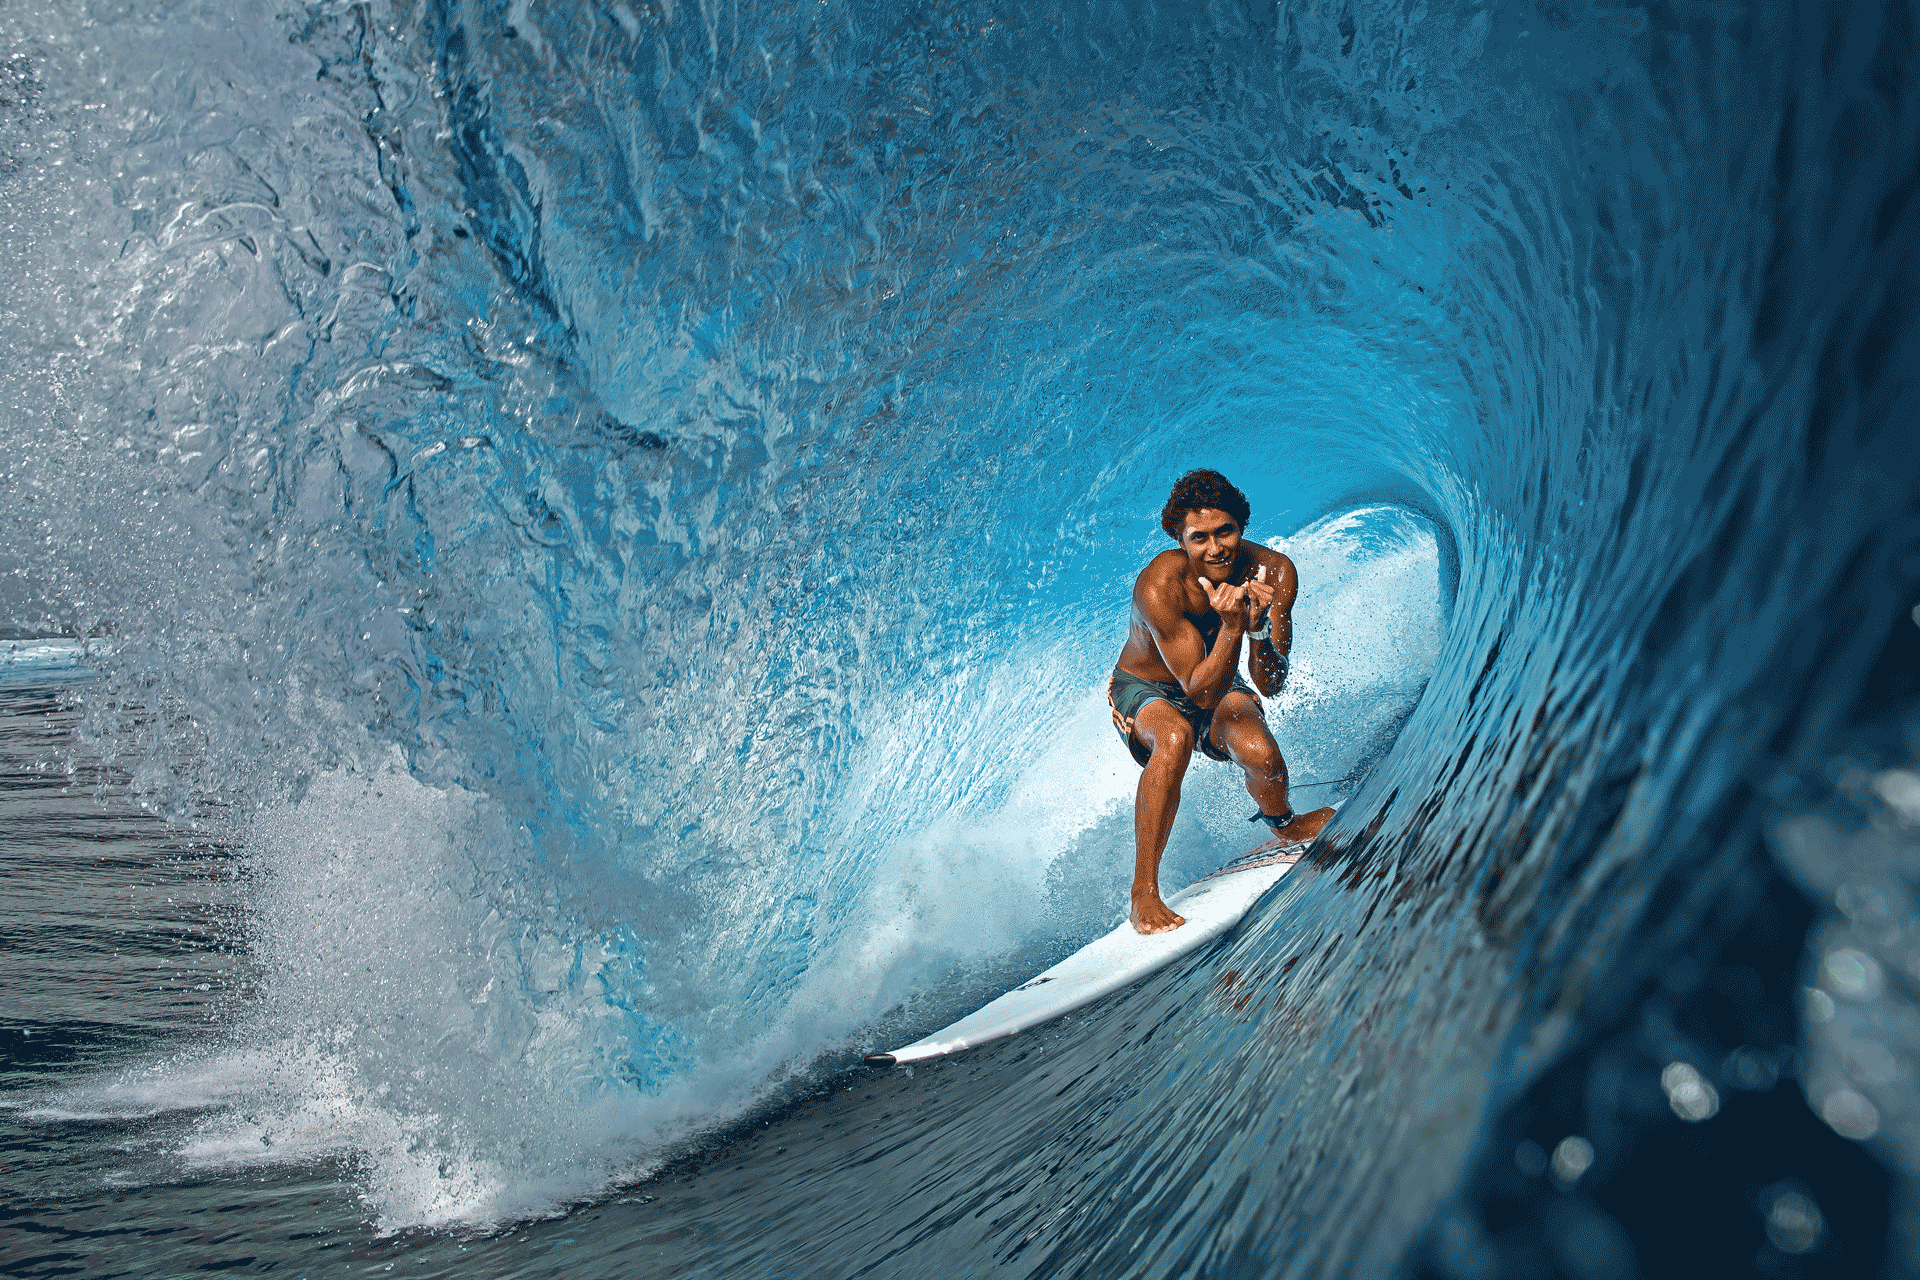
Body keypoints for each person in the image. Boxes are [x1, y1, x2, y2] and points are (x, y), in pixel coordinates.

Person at [1108, 470, 1334, 934]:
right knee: (1175, 736)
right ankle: (1143, 893)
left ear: (1242, 526)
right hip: (1146, 688)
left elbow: (1270, 684)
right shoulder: (1160, 586)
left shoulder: (1274, 572)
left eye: (1225, 531)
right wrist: (1231, 626)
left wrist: (1255, 629)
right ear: (1180, 540)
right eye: (1199, 538)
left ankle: (1284, 824)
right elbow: (1196, 691)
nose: (1215, 549)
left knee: (1261, 754)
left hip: (1221, 673)